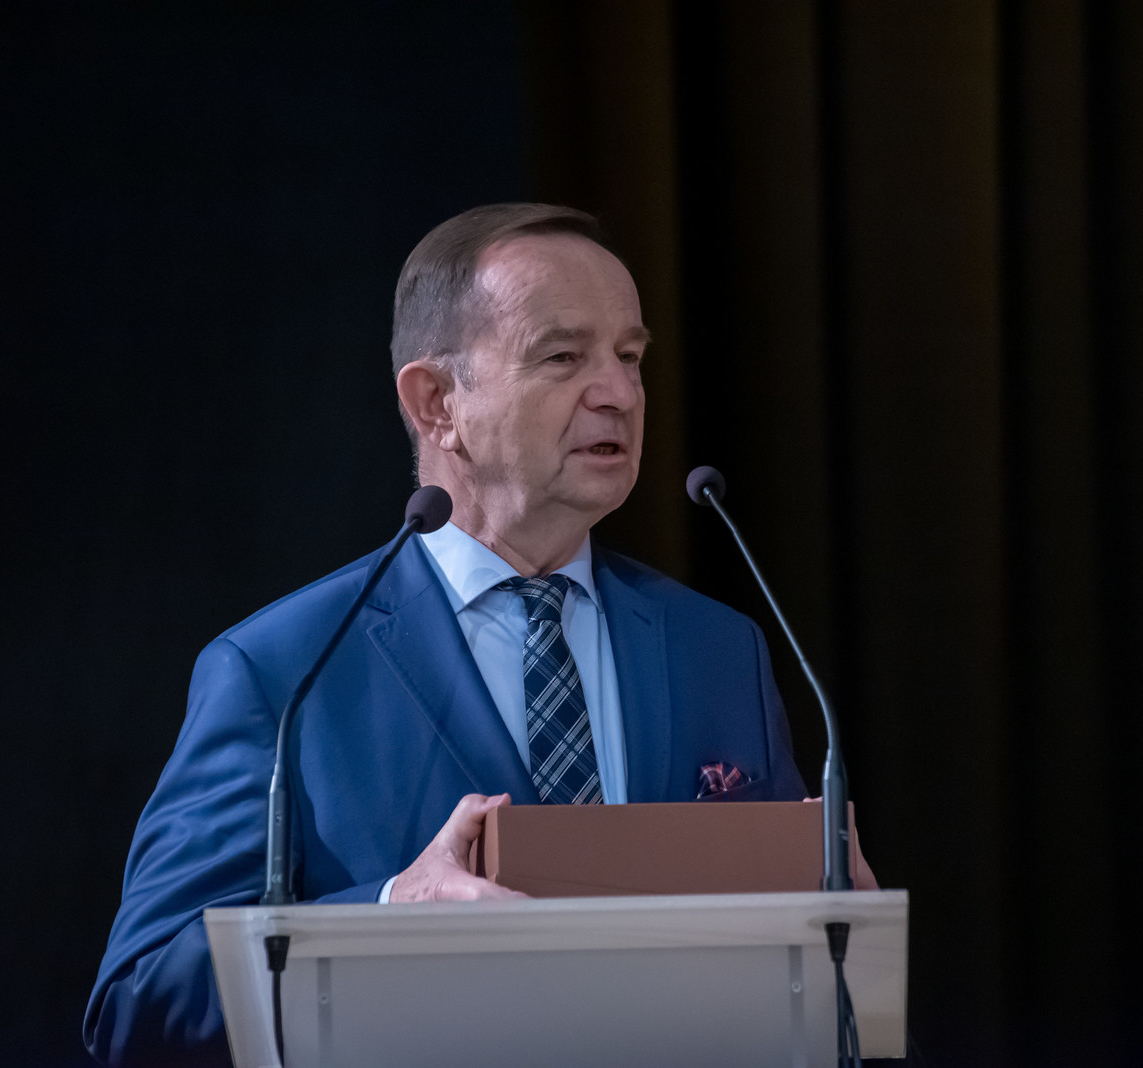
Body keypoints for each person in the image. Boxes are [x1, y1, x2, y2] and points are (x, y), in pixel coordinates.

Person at [83, 204, 809, 1066]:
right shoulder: (283, 672)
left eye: (630, 356)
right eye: (563, 357)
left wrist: (836, 939)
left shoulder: (718, 650)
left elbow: (808, 996)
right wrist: (389, 915)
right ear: (436, 404)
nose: (618, 393)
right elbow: (142, 1003)